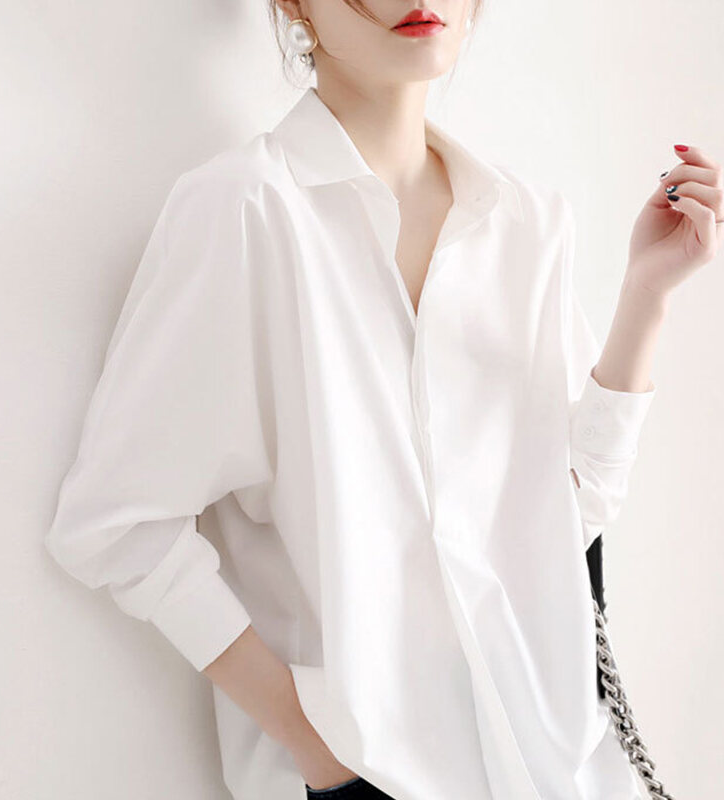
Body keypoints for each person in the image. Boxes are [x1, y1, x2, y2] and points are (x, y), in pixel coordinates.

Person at [44, 2, 723, 799]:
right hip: (372, 776)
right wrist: (315, 741)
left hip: (559, 764)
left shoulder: (525, 223)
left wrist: (646, 297)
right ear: (295, 6)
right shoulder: (247, 211)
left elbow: (565, 519)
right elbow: (116, 523)